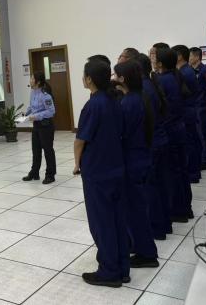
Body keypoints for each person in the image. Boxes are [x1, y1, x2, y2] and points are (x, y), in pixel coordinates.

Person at [74, 60, 129, 287]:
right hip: (116, 167)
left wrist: (76, 163)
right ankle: (122, 268)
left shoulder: (93, 105)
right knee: (117, 220)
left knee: (101, 222)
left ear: (89, 79)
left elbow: (80, 140)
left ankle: (109, 271)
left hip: (97, 171)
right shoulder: (115, 100)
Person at [113, 60, 159, 267]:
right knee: (137, 207)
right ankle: (140, 246)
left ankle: (147, 254)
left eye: (116, 75)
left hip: (133, 161)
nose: (113, 78)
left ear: (123, 78)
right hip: (141, 157)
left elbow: (121, 132)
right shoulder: (139, 96)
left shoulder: (129, 102)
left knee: (135, 210)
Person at [155, 47, 193, 222]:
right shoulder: (176, 76)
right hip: (179, 127)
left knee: (174, 172)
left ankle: (178, 211)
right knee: (181, 170)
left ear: (160, 63)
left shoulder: (163, 80)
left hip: (170, 130)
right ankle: (186, 207)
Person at [137, 53, 172, 240]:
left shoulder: (143, 89)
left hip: (152, 144)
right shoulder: (150, 83)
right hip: (159, 140)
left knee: (151, 187)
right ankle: (163, 224)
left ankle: (157, 228)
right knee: (159, 184)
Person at [172, 44, 202, 183]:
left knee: (190, 143)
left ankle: (193, 173)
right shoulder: (185, 70)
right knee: (192, 142)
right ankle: (194, 171)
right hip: (189, 109)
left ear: (179, 56)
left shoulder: (184, 72)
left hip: (187, 110)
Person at [23, 72, 56, 184]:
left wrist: (36, 116)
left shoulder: (45, 95)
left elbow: (51, 111)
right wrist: (25, 114)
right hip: (36, 125)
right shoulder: (33, 92)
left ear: (38, 82)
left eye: (32, 78)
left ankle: (50, 175)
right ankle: (34, 172)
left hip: (46, 125)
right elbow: (31, 106)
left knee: (48, 150)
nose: (30, 80)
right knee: (35, 150)